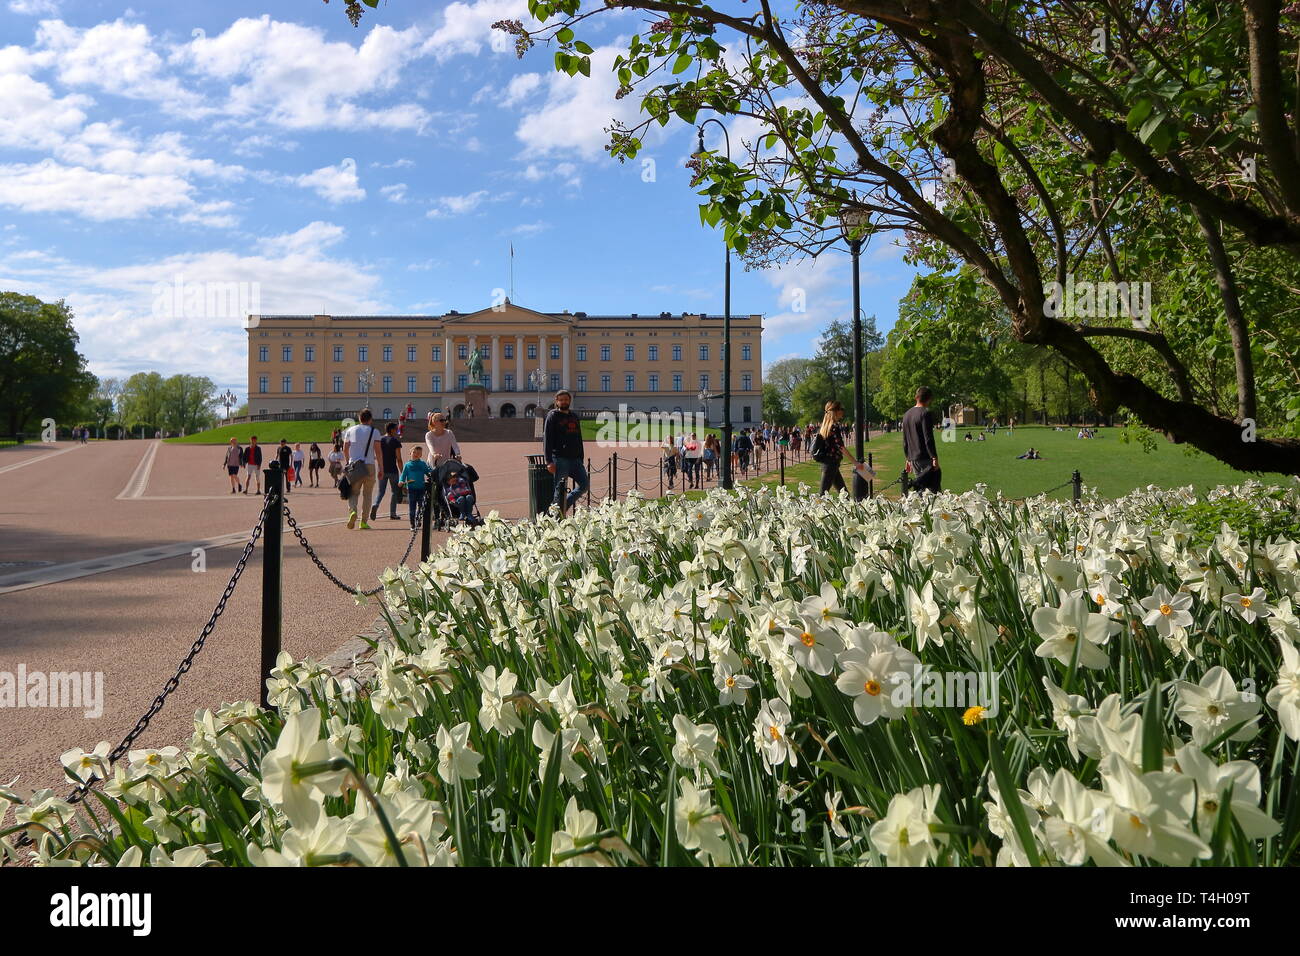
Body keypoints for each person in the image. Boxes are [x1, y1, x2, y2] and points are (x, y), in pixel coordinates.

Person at [543, 389, 589, 516]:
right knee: (559, 491)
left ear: (570, 401)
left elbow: (579, 438)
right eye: (561, 400)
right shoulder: (552, 416)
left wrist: (581, 457)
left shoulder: (574, 417)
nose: (564, 402)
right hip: (560, 459)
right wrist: (549, 461)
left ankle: (562, 508)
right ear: (556, 402)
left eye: (566, 399)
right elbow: (547, 439)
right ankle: (555, 518)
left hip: (575, 460)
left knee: (584, 485)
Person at [343, 409, 380, 529]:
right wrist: (381, 468)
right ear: (370, 419)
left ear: (359, 419)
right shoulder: (375, 431)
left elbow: (345, 448)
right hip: (369, 464)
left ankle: (353, 511)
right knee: (368, 494)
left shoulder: (351, 430)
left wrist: (348, 461)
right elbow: (378, 452)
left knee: (353, 492)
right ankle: (363, 521)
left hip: (354, 465)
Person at [902, 386, 941, 494]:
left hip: (913, 459)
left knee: (920, 491)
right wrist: (934, 457)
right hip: (925, 458)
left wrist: (908, 458)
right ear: (929, 399)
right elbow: (928, 438)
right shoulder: (925, 413)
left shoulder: (906, 415)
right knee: (933, 494)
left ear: (916, 397)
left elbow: (905, 440)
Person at [813, 401, 850, 494]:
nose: (843, 411)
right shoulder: (834, 426)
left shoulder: (827, 426)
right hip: (831, 464)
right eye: (841, 409)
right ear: (836, 411)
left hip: (831, 464)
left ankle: (851, 507)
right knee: (822, 496)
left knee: (844, 494)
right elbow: (841, 446)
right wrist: (855, 463)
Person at [371, 422, 404, 521]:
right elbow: (399, 458)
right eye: (396, 429)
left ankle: (375, 505)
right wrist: (402, 471)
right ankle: (393, 513)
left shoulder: (380, 440)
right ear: (392, 430)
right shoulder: (395, 441)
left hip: (382, 469)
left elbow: (376, 454)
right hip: (393, 470)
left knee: (381, 491)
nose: (397, 431)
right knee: (394, 491)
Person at [399, 445, 434, 529]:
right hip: (411, 489)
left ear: (421, 455)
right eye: (414, 452)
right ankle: (412, 524)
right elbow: (403, 475)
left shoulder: (422, 464)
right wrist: (401, 481)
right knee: (412, 508)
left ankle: (418, 519)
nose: (416, 454)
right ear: (410, 453)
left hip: (421, 489)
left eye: (418, 453)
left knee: (421, 507)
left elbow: (428, 472)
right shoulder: (407, 465)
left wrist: (432, 473)